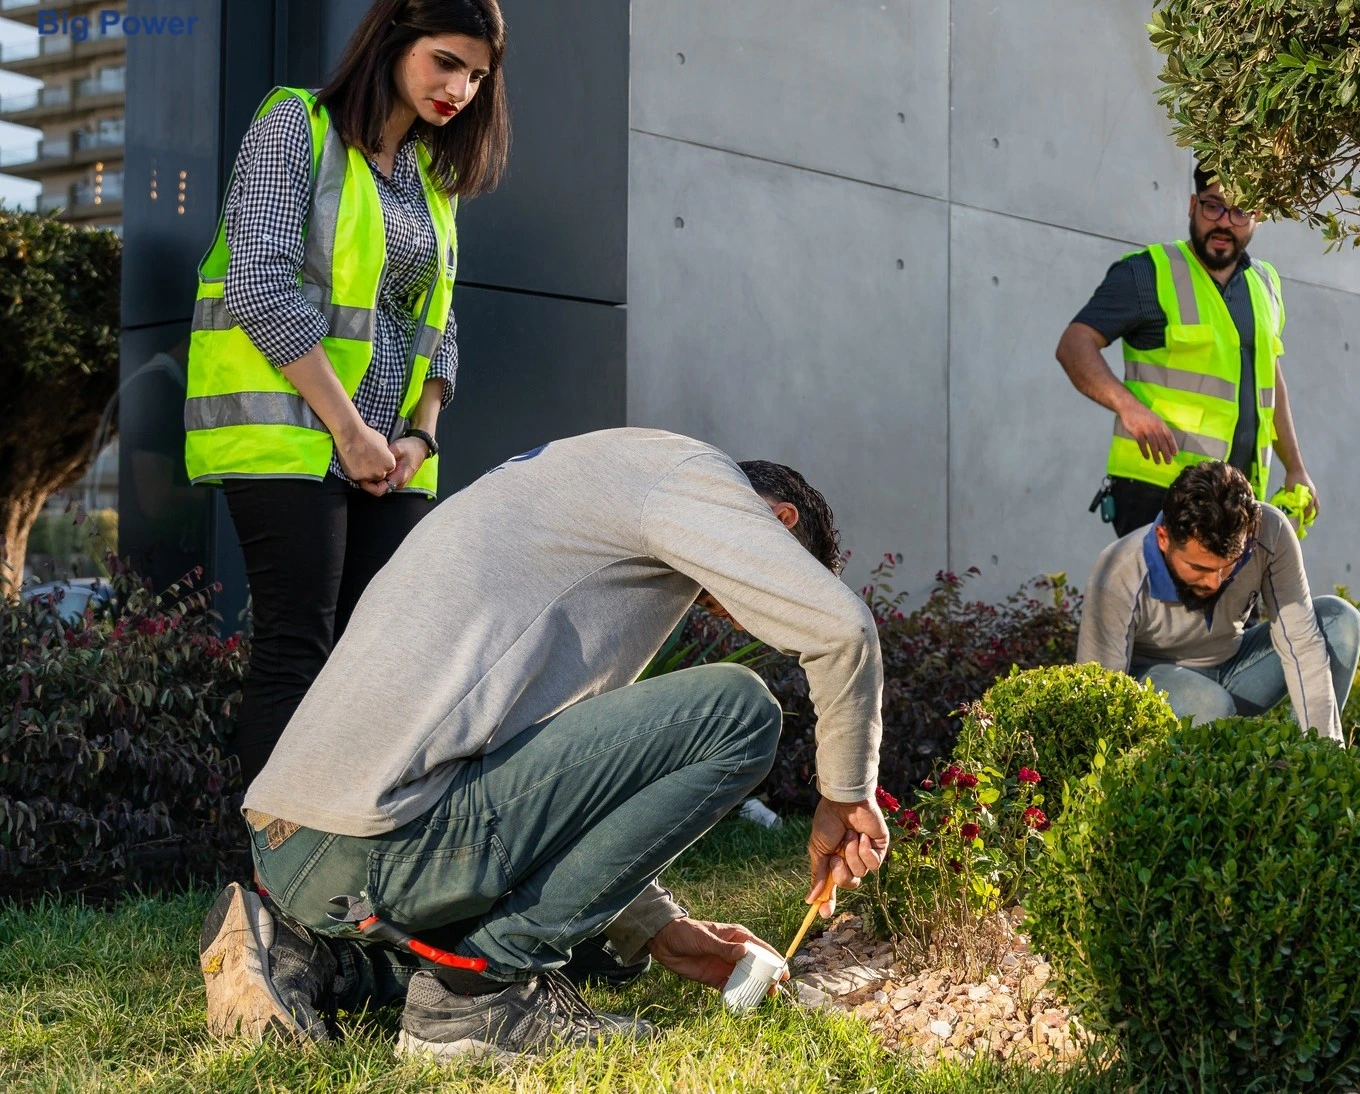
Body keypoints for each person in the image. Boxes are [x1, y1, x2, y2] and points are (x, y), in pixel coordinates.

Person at [197, 429, 890, 1060]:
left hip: (295, 846)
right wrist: (845, 796)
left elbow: (558, 782)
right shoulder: (694, 481)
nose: (743, 614)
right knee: (738, 712)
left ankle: (312, 955)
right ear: (778, 524)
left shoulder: (599, 486)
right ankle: (477, 1002)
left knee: (613, 954)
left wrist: (663, 929)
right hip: (377, 836)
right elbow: (842, 632)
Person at [184, 0, 511, 784]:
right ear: (396, 39)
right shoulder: (296, 127)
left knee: (387, 660)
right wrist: (348, 429)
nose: (459, 89)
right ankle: (268, 873)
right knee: (297, 647)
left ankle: (351, 863)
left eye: (476, 76)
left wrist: (422, 431)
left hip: (393, 451)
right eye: (445, 62)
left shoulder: (433, 178)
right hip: (290, 433)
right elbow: (258, 283)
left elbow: (439, 317)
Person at [1056, 166, 1319, 536]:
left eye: (1240, 211)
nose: (1225, 222)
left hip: (1237, 498)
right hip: (1158, 492)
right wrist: (1128, 407)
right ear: (1193, 206)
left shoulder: (1265, 283)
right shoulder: (1148, 273)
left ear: (1257, 217)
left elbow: (1270, 380)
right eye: (1213, 207)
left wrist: (1295, 467)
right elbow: (1074, 345)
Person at [1077, 460, 1360, 738]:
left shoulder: (1269, 532)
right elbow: (1101, 694)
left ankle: (1302, 761)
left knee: (1340, 622)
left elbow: (1302, 644)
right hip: (1156, 684)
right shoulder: (1120, 571)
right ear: (1163, 539)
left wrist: (1323, 755)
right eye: (1199, 568)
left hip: (1235, 669)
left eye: (1229, 566)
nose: (1215, 582)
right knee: (1209, 705)